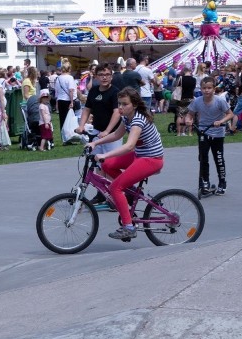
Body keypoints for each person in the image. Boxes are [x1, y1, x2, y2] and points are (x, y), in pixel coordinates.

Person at [86, 87, 164, 240]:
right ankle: (131, 192)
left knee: (115, 187)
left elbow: (129, 146)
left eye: (124, 104)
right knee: (107, 165)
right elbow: (116, 135)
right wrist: (96, 143)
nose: (120, 107)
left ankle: (128, 226)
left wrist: (105, 154)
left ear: (134, 105)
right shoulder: (126, 117)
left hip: (152, 159)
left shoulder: (137, 120)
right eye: (119, 104)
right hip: (141, 155)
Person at [75, 64, 122, 210]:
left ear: (111, 76)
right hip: (96, 132)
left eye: (107, 74)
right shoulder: (94, 91)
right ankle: (102, 193)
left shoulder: (115, 92)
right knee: (97, 164)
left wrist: (108, 130)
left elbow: (117, 112)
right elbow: (87, 109)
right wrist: (81, 126)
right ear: (96, 76)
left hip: (113, 134)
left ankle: (115, 195)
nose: (104, 77)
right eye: (101, 74)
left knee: (111, 165)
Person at [187, 76, 234, 196]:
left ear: (214, 89)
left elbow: (230, 114)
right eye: (204, 88)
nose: (206, 90)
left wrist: (221, 121)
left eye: (209, 88)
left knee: (218, 158)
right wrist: (188, 120)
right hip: (203, 132)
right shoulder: (197, 101)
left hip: (217, 133)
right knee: (203, 158)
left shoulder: (220, 101)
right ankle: (205, 182)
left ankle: (222, 183)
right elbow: (189, 114)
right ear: (201, 89)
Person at [54, 59, 76, 136]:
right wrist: (72, 102)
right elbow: (71, 90)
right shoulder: (70, 78)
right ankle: (70, 135)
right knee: (70, 119)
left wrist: (56, 102)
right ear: (69, 68)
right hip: (67, 100)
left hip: (60, 100)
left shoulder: (58, 78)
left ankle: (63, 136)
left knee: (62, 119)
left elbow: (56, 91)